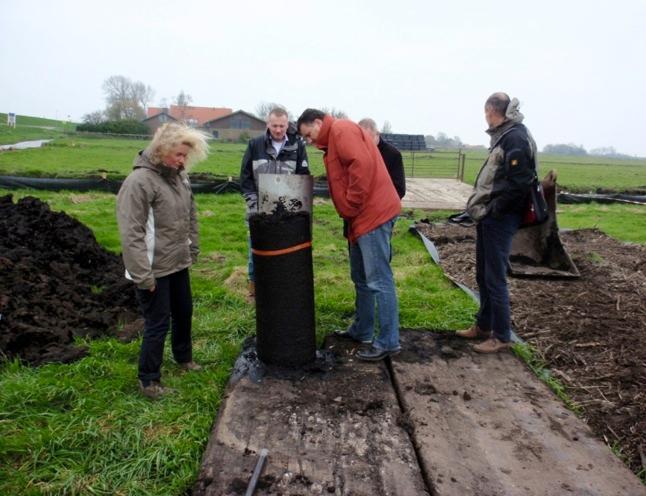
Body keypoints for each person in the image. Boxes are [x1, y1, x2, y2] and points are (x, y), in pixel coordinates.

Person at [297, 109, 401, 361]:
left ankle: (388, 341)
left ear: (319, 122)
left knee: (378, 279)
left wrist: (351, 204)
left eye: (308, 134)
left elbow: (361, 166)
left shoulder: (341, 131)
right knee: (361, 277)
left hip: (372, 215)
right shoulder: (332, 140)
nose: (308, 141)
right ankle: (363, 330)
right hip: (359, 219)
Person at [116, 123, 209, 398]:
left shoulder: (180, 177)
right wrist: (143, 276)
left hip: (177, 261)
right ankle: (149, 380)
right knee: (158, 323)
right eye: (178, 155)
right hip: (153, 267)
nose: (183, 161)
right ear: (161, 150)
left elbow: (190, 216)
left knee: (184, 312)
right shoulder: (139, 182)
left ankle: (184, 358)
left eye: (185, 156)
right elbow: (131, 233)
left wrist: (192, 249)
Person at [457, 93, 536, 353]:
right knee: (484, 274)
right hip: (489, 218)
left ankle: (502, 336)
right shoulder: (506, 135)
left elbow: (519, 185)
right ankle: (483, 326)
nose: (486, 118)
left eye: (486, 112)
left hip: (499, 219)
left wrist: (493, 210)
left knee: (495, 278)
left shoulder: (514, 138)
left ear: (492, 110)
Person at [240, 107, 310, 298]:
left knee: (286, 248)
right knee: (255, 248)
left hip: (288, 210)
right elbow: (245, 179)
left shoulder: (298, 146)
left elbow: (303, 178)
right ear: (267, 124)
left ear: (288, 125)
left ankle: (282, 288)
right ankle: (255, 288)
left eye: (282, 126)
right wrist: (254, 204)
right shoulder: (255, 145)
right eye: (274, 126)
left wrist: (295, 208)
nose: (278, 130)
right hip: (259, 208)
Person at [357, 118, 406, 199]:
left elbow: (400, 189)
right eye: (362, 140)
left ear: (377, 134)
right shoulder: (356, 152)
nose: (366, 144)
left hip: (384, 206)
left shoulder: (393, 154)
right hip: (361, 205)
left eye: (369, 139)